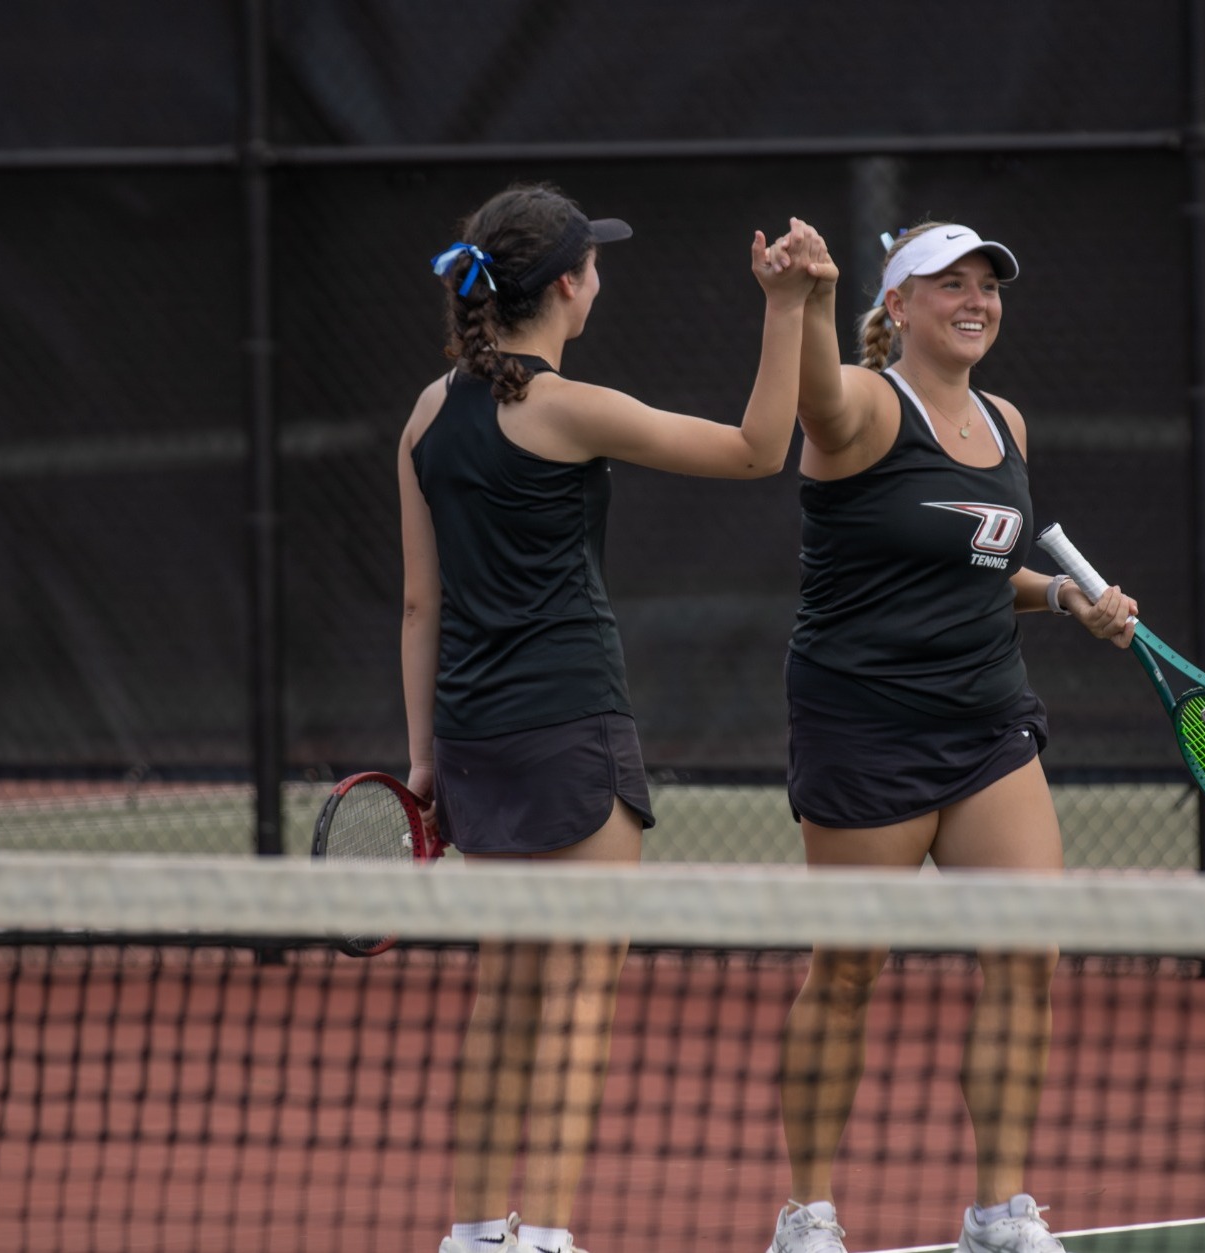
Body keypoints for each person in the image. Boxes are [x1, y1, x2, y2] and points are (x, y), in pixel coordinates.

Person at [400, 184, 834, 1253]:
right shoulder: (567, 406)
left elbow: (420, 602)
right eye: (592, 262)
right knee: (582, 991)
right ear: (564, 286)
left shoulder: (423, 412)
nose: (600, 276)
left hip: (472, 735)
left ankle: (472, 1234)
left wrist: (424, 763)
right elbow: (754, 448)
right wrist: (785, 308)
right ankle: (543, 1232)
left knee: (505, 995)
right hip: (569, 721)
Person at [764, 221, 1139, 1253]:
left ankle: (998, 1211)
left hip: (988, 722)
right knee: (847, 971)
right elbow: (814, 397)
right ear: (898, 307)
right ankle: (806, 1214)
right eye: (949, 284)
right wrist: (806, 295)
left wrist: (1064, 595)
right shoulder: (862, 407)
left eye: (987, 284)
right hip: (864, 726)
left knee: (1029, 956)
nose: (975, 299)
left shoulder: (1007, 420)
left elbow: (974, 559)